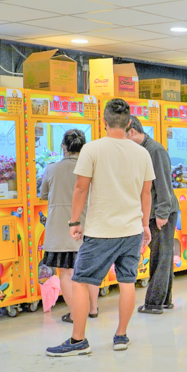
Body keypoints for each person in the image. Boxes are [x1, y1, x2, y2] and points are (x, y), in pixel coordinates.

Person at [45, 98, 154, 357]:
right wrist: (145, 225)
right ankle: (121, 336)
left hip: (101, 231)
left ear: (103, 122)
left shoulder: (92, 150)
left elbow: (81, 188)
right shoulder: (142, 153)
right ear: (129, 123)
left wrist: (73, 222)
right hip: (131, 230)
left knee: (81, 281)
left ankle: (78, 339)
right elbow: (146, 193)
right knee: (127, 281)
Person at [38, 129, 99, 323]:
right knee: (89, 271)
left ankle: (74, 314)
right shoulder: (91, 168)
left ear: (63, 147)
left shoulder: (52, 169)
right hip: (87, 226)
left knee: (66, 273)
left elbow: (44, 195)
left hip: (60, 229)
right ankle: (93, 309)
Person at [126, 117, 179, 314]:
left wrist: (162, 213)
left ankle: (154, 303)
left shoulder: (155, 150)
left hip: (161, 212)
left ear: (131, 132)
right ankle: (164, 300)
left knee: (160, 257)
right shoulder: (141, 150)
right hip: (153, 211)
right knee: (163, 256)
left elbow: (164, 185)